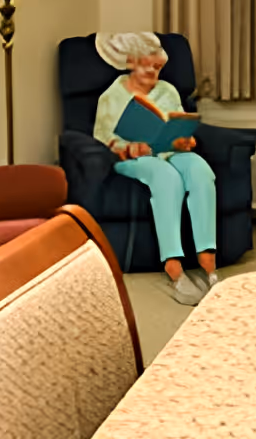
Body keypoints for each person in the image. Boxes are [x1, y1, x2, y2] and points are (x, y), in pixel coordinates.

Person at [93, 32, 217, 306]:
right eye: (145, 64)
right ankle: (174, 266)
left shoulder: (168, 91)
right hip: (134, 160)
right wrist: (129, 147)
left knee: (199, 169)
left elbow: (175, 126)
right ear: (131, 62)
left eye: (157, 67)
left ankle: (208, 261)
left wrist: (185, 140)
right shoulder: (110, 96)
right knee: (165, 177)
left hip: (169, 152)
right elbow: (103, 141)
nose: (152, 71)